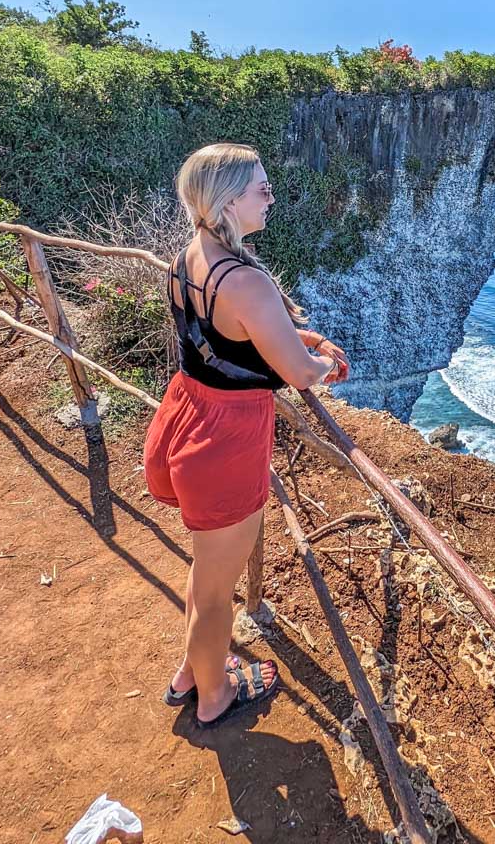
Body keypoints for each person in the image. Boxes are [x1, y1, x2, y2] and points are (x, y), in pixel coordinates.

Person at [144, 142, 349, 730]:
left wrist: (294, 337)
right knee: (216, 591)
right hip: (226, 439)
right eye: (261, 188)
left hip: (189, 411)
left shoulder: (190, 256)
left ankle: (192, 670)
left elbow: (234, 338)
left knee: (207, 571)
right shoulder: (247, 281)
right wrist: (322, 364)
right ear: (229, 200)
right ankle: (214, 696)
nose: (272, 197)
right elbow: (297, 374)